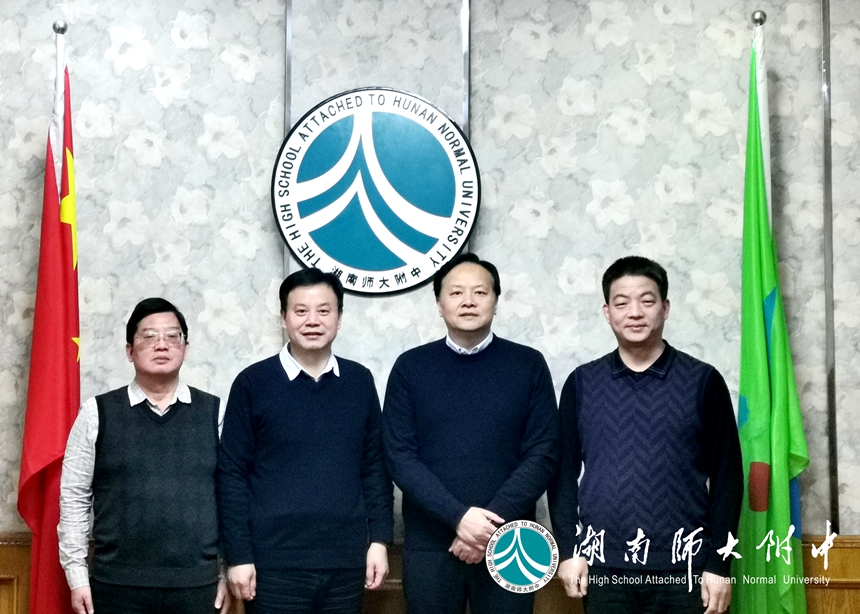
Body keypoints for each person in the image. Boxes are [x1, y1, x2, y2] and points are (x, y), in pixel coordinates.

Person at [548, 256, 744, 614]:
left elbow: (727, 478)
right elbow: (561, 475)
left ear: (665, 308)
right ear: (607, 312)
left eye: (647, 300)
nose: (635, 312)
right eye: (622, 303)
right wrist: (569, 550)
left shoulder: (702, 381)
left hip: (686, 566)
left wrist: (719, 564)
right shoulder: (582, 383)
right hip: (603, 566)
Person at [382, 252, 559, 614]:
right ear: (439, 303)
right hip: (431, 543)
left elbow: (543, 452)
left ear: (495, 301)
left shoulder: (528, 364)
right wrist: (458, 518)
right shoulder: (410, 367)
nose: (468, 301)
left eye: (479, 292)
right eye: (456, 292)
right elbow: (399, 455)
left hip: (513, 542)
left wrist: (487, 526)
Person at [217, 268, 392, 614]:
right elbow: (232, 474)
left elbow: (374, 467)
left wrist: (380, 541)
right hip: (273, 564)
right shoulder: (253, 383)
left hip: (346, 561)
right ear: (284, 318)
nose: (313, 320)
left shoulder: (359, 381)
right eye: (301, 311)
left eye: (324, 311)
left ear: (339, 319)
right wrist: (238, 556)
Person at [58, 298, 231, 614]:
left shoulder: (215, 413)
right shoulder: (97, 413)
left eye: (172, 336)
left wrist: (225, 572)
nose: (162, 345)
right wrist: (77, 577)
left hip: (196, 586)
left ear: (185, 348)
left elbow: (232, 496)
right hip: (116, 587)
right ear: (130, 350)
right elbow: (74, 497)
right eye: (149, 336)